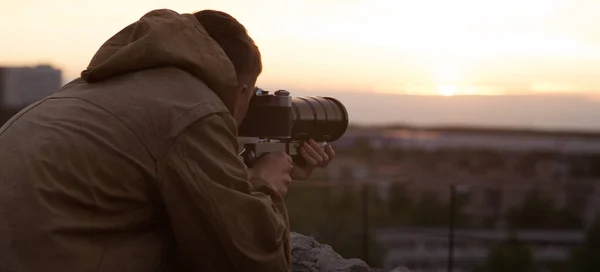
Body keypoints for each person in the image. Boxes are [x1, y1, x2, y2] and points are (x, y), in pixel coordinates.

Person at [0, 8, 335, 272]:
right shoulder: (195, 109)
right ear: (242, 90)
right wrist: (265, 186)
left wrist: (251, 174)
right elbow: (258, 261)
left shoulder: (94, 87)